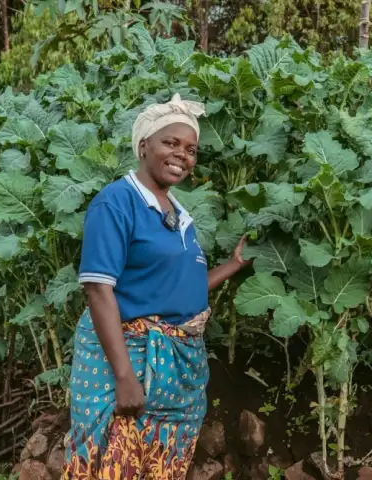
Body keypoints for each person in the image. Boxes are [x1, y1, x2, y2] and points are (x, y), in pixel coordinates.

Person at [61, 94, 252, 480]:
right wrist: (124, 376)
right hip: (130, 357)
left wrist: (234, 264)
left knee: (161, 465)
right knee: (112, 463)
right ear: (144, 145)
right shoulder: (117, 202)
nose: (182, 154)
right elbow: (98, 289)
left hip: (178, 364)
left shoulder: (180, 214)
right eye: (171, 143)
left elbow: (184, 285)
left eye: (191, 149)